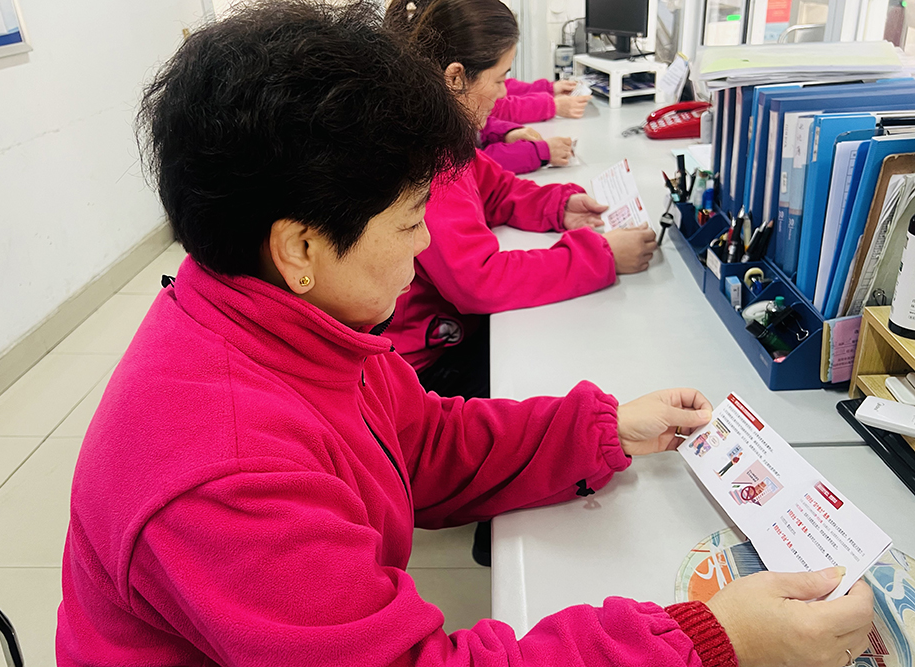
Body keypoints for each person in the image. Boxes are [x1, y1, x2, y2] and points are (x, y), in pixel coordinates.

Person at [56, 4, 874, 667]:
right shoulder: (226, 474)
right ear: (300, 247)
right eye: (411, 220)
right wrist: (709, 641)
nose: (425, 244)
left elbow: (423, 443)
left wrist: (601, 428)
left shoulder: (300, 323)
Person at [385, 0, 657, 400]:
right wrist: (602, 257)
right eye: (500, 80)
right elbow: (478, 281)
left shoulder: (443, 133)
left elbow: (494, 190)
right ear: (455, 78)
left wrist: (556, 206)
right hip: (423, 372)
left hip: (452, 333)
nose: (502, 94)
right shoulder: (426, 161)